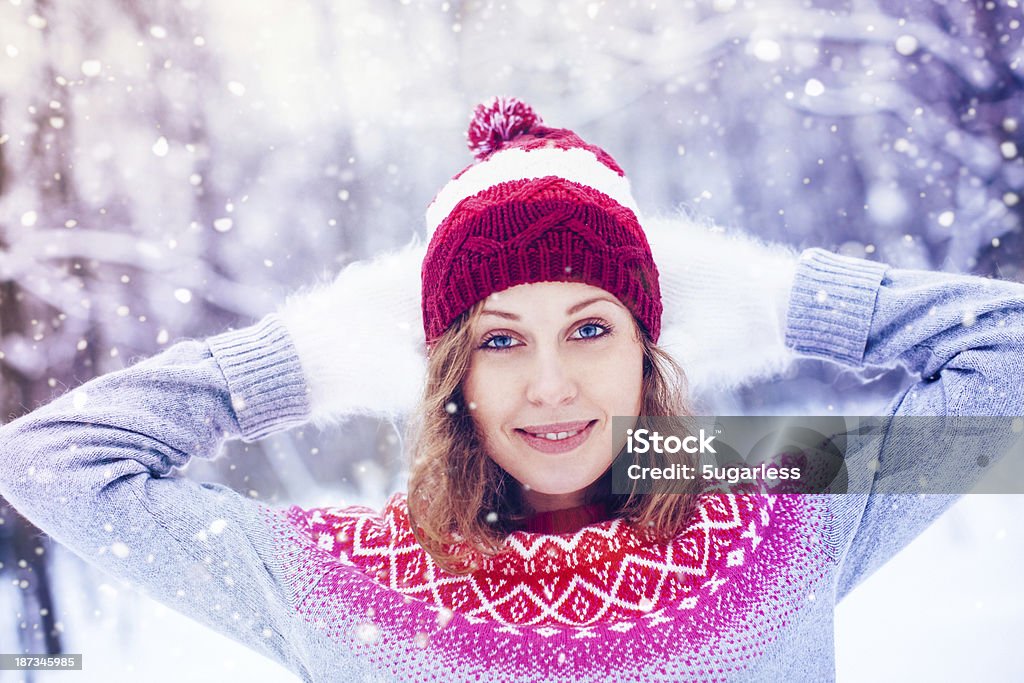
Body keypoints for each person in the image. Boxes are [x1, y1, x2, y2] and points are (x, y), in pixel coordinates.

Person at [1, 97, 1022, 682]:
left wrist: (774, 293)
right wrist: (310, 353)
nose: (549, 383)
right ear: (448, 375)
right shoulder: (347, 578)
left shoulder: (778, 507)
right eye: (497, 340)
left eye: (590, 326)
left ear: (648, 349)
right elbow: (48, 458)